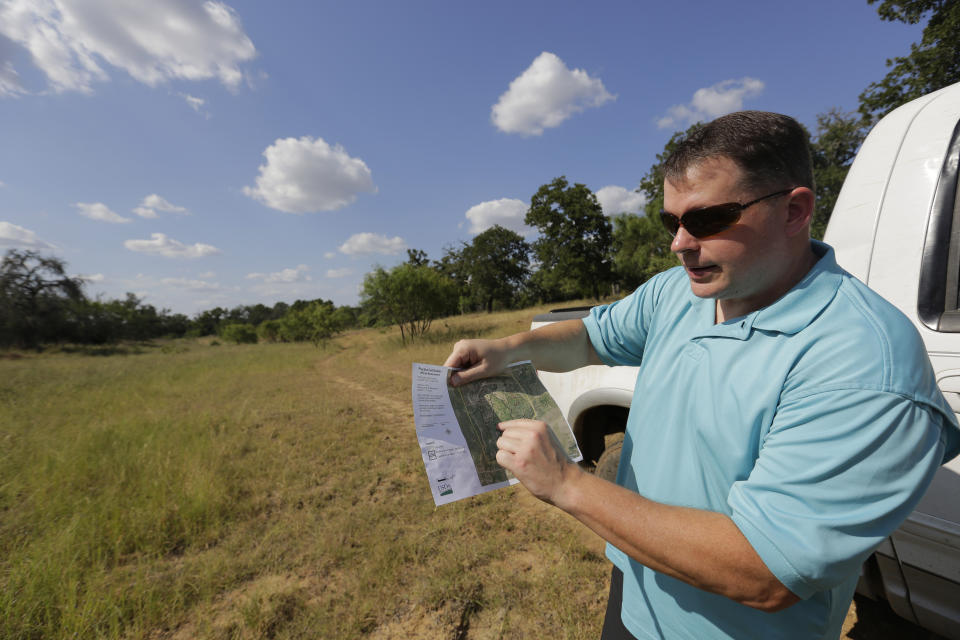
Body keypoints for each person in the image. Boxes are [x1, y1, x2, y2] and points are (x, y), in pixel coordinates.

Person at [443, 111, 960, 640]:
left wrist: (566, 484)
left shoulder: (863, 363)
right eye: (672, 221)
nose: (680, 243)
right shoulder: (679, 292)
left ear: (795, 210)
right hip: (639, 587)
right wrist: (509, 349)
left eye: (707, 219)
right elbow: (590, 336)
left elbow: (764, 572)